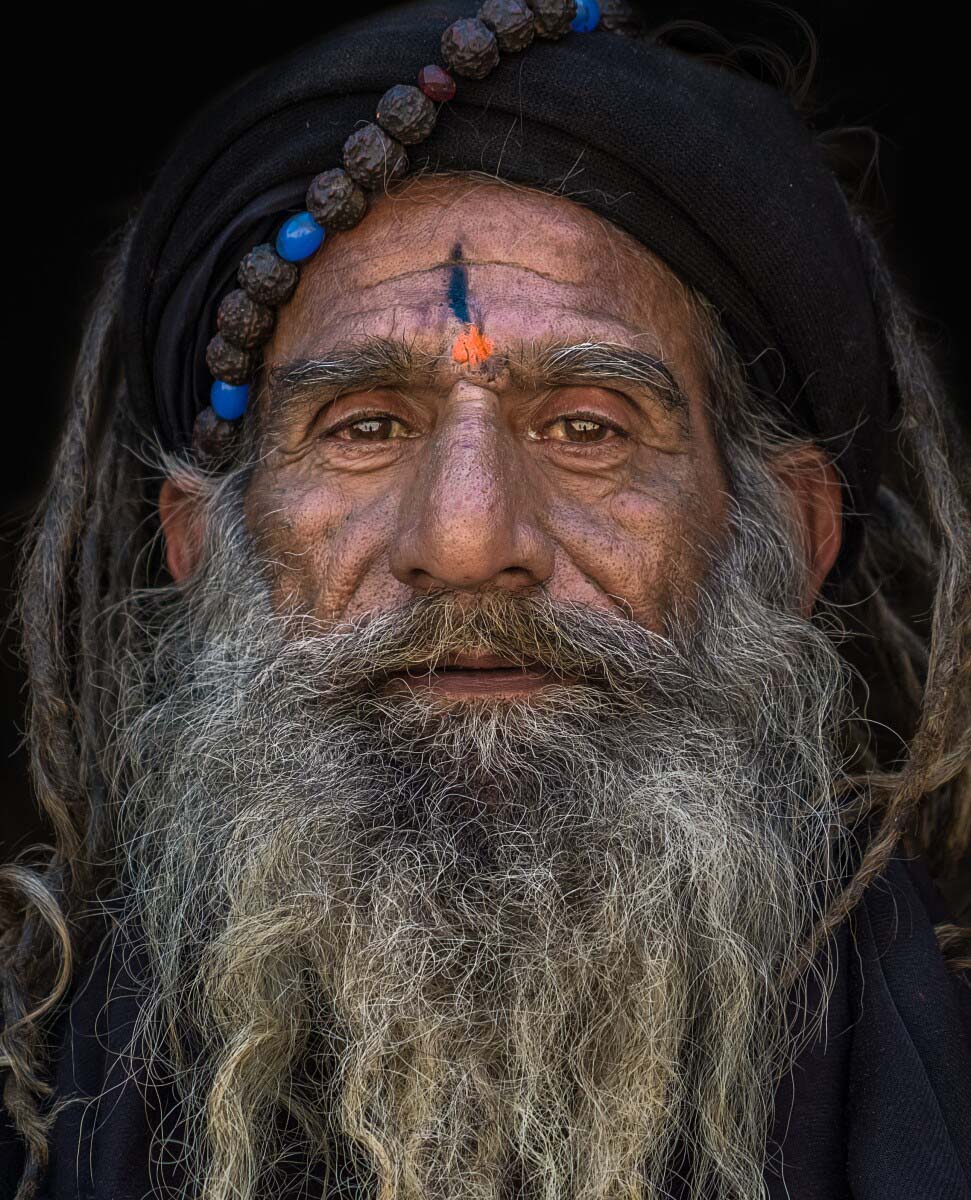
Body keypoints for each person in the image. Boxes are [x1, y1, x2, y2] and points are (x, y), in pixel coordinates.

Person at [1, 2, 969, 1197]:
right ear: (201, 543)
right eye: (361, 428)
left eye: (585, 429)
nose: (465, 542)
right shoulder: (37, 1116)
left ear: (794, 532)